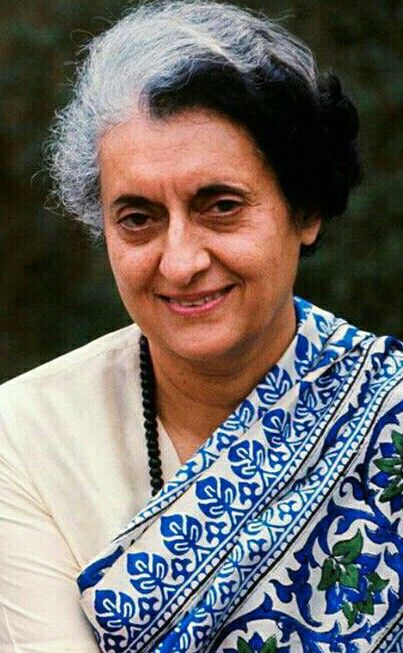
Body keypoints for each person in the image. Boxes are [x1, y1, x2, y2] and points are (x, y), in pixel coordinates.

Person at [0, 1, 402, 651]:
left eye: (219, 206)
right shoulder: (22, 436)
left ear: (304, 210)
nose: (181, 260)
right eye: (137, 218)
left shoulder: (389, 409)